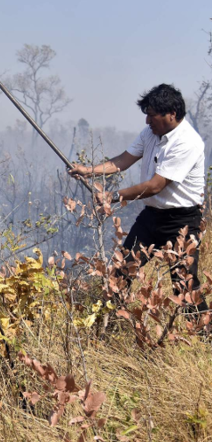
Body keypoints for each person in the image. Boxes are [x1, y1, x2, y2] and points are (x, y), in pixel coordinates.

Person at [68, 83, 208, 313]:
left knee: (185, 288)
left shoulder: (187, 142)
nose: (147, 121)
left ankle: (205, 339)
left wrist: (112, 196)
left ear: (171, 114)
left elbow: (155, 186)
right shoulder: (150, 133)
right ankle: (109, 327)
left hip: (182, 222)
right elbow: (123, 160)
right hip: (151, 217)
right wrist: (88, 170)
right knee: (121, 273)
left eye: (152, 116)